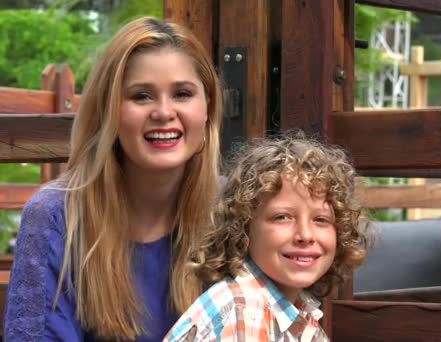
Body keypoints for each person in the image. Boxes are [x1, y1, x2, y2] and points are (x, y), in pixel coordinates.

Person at [4, 16, 222, 341]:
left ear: (208, 107)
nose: (163, 112)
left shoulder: (232, 210)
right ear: (108, 111)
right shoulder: (55, 216)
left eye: (182, 93)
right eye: (141, 96)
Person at [163, 135, 373, 342]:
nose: (305, 235)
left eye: (321, 219)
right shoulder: (244, 309)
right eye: (282, 217)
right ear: (243, 228)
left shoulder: (297, 313)